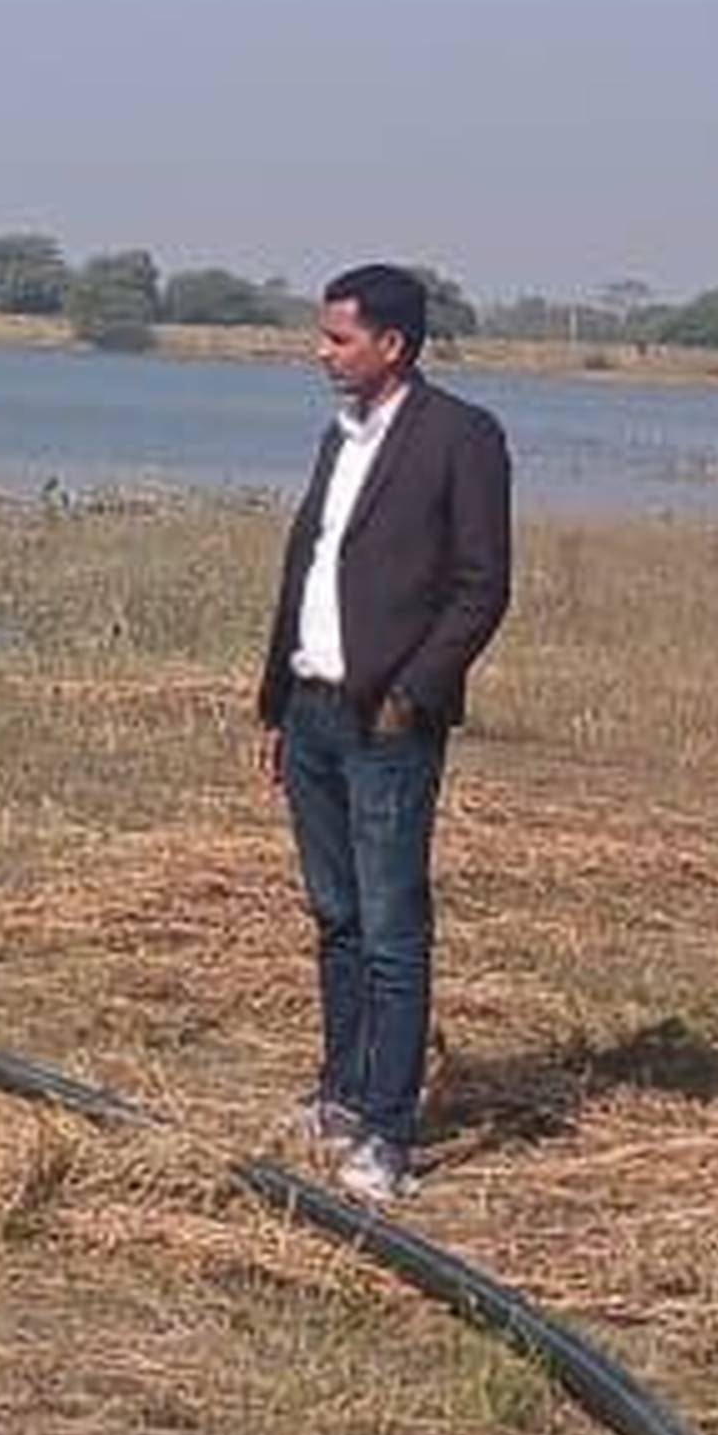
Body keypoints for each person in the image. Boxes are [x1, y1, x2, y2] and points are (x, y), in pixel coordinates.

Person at [250, 262, 513, 1204]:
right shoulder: (340, 436)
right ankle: (342, 1093)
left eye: (338, 338)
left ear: (392, 345)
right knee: (336, 915)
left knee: (394, 927)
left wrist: (412, 692)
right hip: (315, 709)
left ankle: (390, 1133)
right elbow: (307, 568)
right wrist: (276, 700)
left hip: (387, 723)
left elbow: (483, 584)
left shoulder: (461, 438)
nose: (321, 352)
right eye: (324, 336)